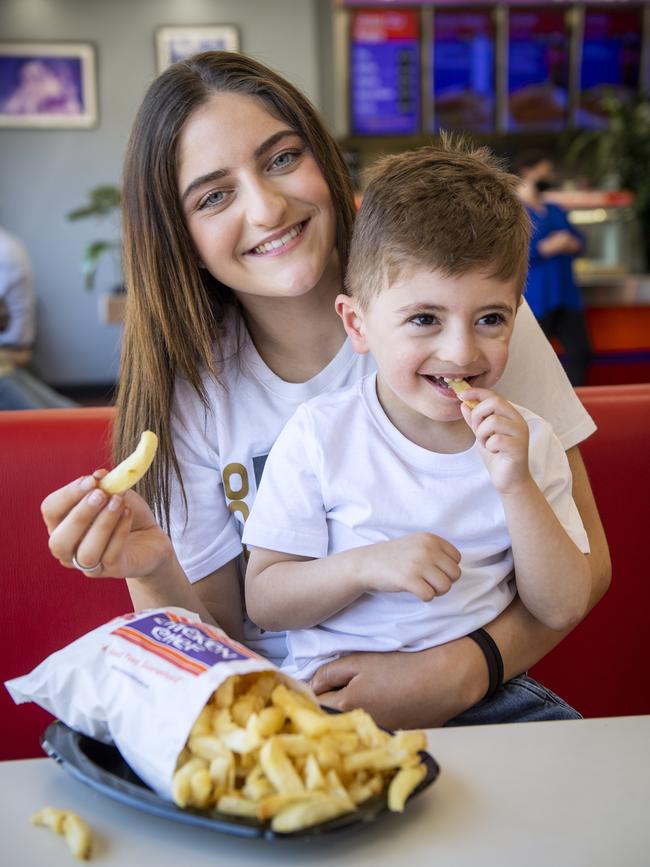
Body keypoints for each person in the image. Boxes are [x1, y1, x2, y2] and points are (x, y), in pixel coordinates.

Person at [41, 52, 610, 731]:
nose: (268, 206)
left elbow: (586, 567)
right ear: (182, 237)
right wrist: (152, 566)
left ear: (325, 160)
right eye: (214, 195)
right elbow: (220, 629)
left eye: (281, 158)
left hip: (479, 686)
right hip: (286, 714)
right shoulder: (192, 387)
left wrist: (461, 670)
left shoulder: (466, 315)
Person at [242, 141, 591, 723]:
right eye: (425, 319)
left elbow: (562, 606)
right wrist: (365, 565)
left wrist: (517, 485)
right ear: (358, 323)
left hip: (491, 697)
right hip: (332, 699)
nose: (460, 351)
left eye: (490, 319)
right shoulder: (320, 435)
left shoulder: (530, 440)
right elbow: (266, 601)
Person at [513, 150, 593, 386]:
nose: (550, 176)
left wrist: (571, 243)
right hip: (535, 298)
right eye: (545, 171)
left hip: (566, 295)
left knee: (581, 352)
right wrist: (544, 247)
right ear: (528, 172)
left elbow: (581, 241)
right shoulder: (512, 209)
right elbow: (504, 251)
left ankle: (570, 402)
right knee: (530, 360)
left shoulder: (556, 208)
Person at [0, 224, 76, 410]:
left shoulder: (5, 249)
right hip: (9, 361)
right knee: (62, 415)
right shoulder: (8, 244)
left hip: (9, 357)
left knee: (62, 415)